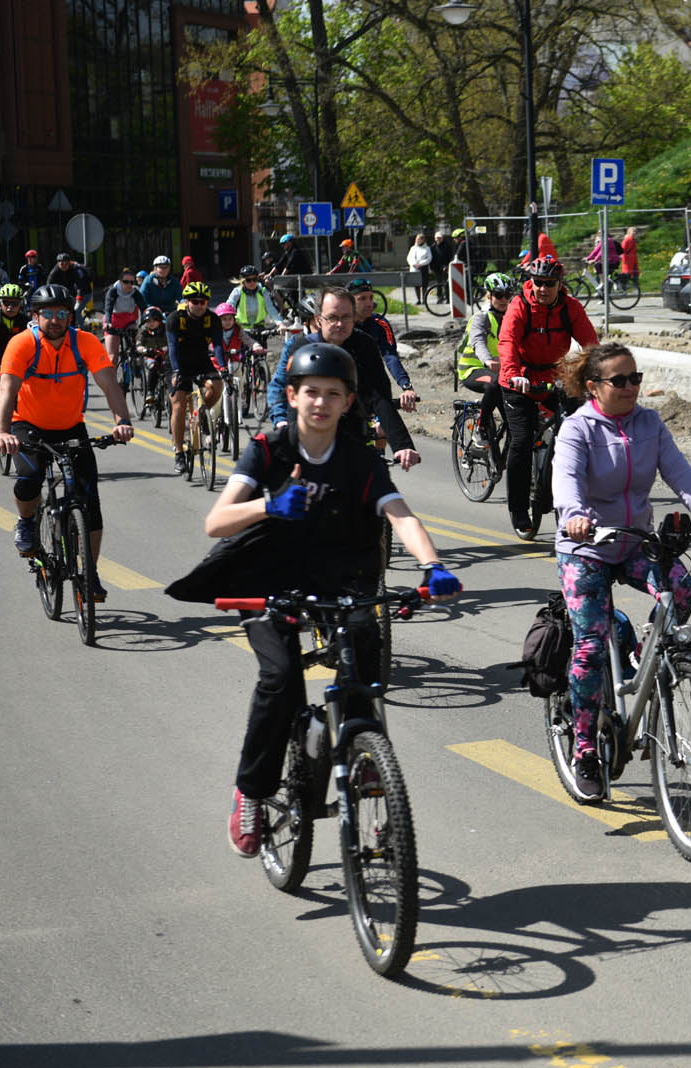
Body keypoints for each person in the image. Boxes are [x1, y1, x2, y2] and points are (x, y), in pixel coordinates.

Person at [167, 343, 461, 857]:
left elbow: (400, 515)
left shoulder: (359, 460)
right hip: (267, 579)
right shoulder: (268, 448)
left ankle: (370, 772)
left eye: (333, 394)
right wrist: (270, 504)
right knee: (280, 678)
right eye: (310, 393)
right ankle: (253, 793)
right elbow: (216, 522)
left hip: (339, 579)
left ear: (348, 402)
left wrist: (432, 565)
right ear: (292, 396)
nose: (320, 403)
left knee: (364, 667)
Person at [551, 341, 691, 799]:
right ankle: (586, 750)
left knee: (681, 589)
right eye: (620, 380)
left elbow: (680, 474)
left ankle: (643, 653)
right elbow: (566, 482)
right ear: (594, 386)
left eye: (635, 378)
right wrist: (574, 515)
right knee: (591, 647)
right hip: (586, 546)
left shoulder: (650, 423)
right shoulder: (577, 429)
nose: (632, 387)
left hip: (635, 540)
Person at [0, 284, 136, 585]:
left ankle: (90, 573)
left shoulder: (84, 342)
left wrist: (121, 420)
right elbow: (6, 391)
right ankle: (27, 520)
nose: (56, 320)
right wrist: (2, 432)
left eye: (62, 314)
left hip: (71, 426)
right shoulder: (21, 345)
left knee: (90, 502)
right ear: (35, 315)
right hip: (28, 425)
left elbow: (109, 384)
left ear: (70, 316)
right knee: (30, 479)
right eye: (48, 313)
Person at [496, 254, 598, 534]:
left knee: (577, 434)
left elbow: (590, 344)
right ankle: (518, 509)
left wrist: (596, 374)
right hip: (519, 380)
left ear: (559, 284)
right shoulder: (519, 305)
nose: (542, 289)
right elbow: (507, 341)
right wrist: (515, 373)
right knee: (522, 440)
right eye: (538, 282)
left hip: (555, 376)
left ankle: (569, 497)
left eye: (549, 284)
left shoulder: (570, 308)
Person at [266, 287, 419, 473]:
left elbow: (379, 395)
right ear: (318, 320)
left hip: (355, 433)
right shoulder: (301, 348)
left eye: (346, 317)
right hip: (311, 438)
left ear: (354, 318)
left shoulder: (366, 344)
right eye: (332, 317)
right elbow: (291, 400)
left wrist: (402, 444)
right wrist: (289, 439)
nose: (339, 324)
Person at [166, 281, 227, 470]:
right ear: (187, 301)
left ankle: (202, 414)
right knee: (179, 403)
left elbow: (217, 346)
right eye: (195, 301)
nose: (199, 305)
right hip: (179, 363)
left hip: (201, 360)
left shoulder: (212, 319)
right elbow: (173, 347)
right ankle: (178, 452)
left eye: (203, 301)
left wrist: (223, 368)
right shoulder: (175, 318)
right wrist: (176, 371)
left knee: (218, 385)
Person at [455, 272, 514, 436]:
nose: (503, 300)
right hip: (472, 370)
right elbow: (477, 341)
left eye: (507, 295)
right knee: (495, 383)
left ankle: (502, 460)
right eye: (498, 295)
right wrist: (487, 360)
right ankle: (481, 427)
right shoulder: (481, 318)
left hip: (502, 372)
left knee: (515, 422)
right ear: (489, 295)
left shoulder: (512, 318)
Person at [347, 278, 416, 412]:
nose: (369, 303)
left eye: (371, 298)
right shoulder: (342, 326)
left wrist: (406, 386)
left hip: (375, 387)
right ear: (350, 302)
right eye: (362, 299)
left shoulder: (380, 323)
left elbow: (390, 356)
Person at [0, 283, 29, 456]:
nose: (10, 307)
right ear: (0, 303)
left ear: (20, 304)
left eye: (15, 303)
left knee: (25, 400)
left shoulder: (25, 321)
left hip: (17, 366)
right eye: (6, 303)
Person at [100, 267, 148, 355]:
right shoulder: (113, 291)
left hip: (128, 320)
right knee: (113, 356)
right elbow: (108, 308)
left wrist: (149, 318)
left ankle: (133, 365)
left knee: (134, 354)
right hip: (113, 321)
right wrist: (107, 322)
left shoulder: (135, 292)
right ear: (120, 281)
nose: (129, 285)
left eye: (132, 282)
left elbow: (143, 307)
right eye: (126, 282)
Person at [227, 265, 278, 331]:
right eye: (248, 280)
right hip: (241, 330)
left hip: (260, 329)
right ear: (243, 281)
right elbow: (229, 308)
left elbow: (270, 308)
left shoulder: (262, 291)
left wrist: (280, 323)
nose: (252, 282)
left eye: (254, 279)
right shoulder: (237, 291)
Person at [406, 234, 433, 304]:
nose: (418, 240)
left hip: (423, 268)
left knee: (424, 284)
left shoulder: (427, 248)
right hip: (415, 268)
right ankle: (418, 299)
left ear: (423, 240)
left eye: (420, 239)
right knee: (416, 284)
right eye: (417, 239)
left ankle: (424, 299)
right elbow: (409, 258)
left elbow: (429, 258)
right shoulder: (413, 248)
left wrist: (421, 264)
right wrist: (414, 264)